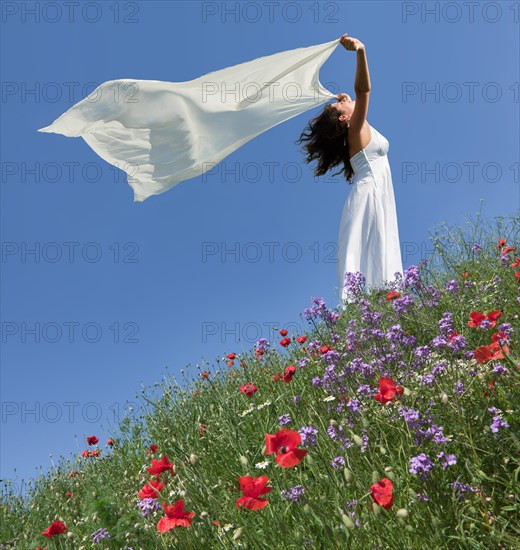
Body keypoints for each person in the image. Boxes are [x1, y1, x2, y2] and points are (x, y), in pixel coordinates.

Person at [296, 34, 403, 307]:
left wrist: (344, 102)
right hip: (369, 195)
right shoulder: (355, 130)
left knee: (379, 252)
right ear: (344, 118)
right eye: (339, 104)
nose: (343, 98)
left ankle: (386, 312)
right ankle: (365, 318)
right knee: (367, 256)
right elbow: (363, 91)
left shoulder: (359, 130)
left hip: (375, 192)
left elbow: (356, 97)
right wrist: (360, 51)